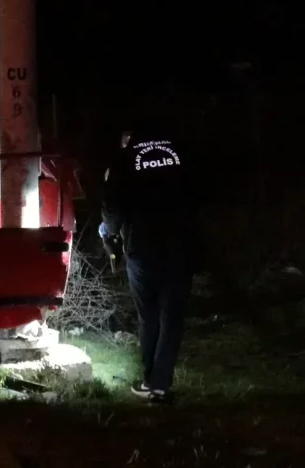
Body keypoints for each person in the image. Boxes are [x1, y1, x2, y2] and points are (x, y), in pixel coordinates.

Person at [99, 122, 197, 403]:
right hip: (182, 246)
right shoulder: (182, 154)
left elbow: (111, 204)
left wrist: (111, 232)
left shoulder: (124, 160)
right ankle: (161, 383)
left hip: (143, 248)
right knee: (172, 316)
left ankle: (149, 380)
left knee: (149, 314)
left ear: (129, 137)